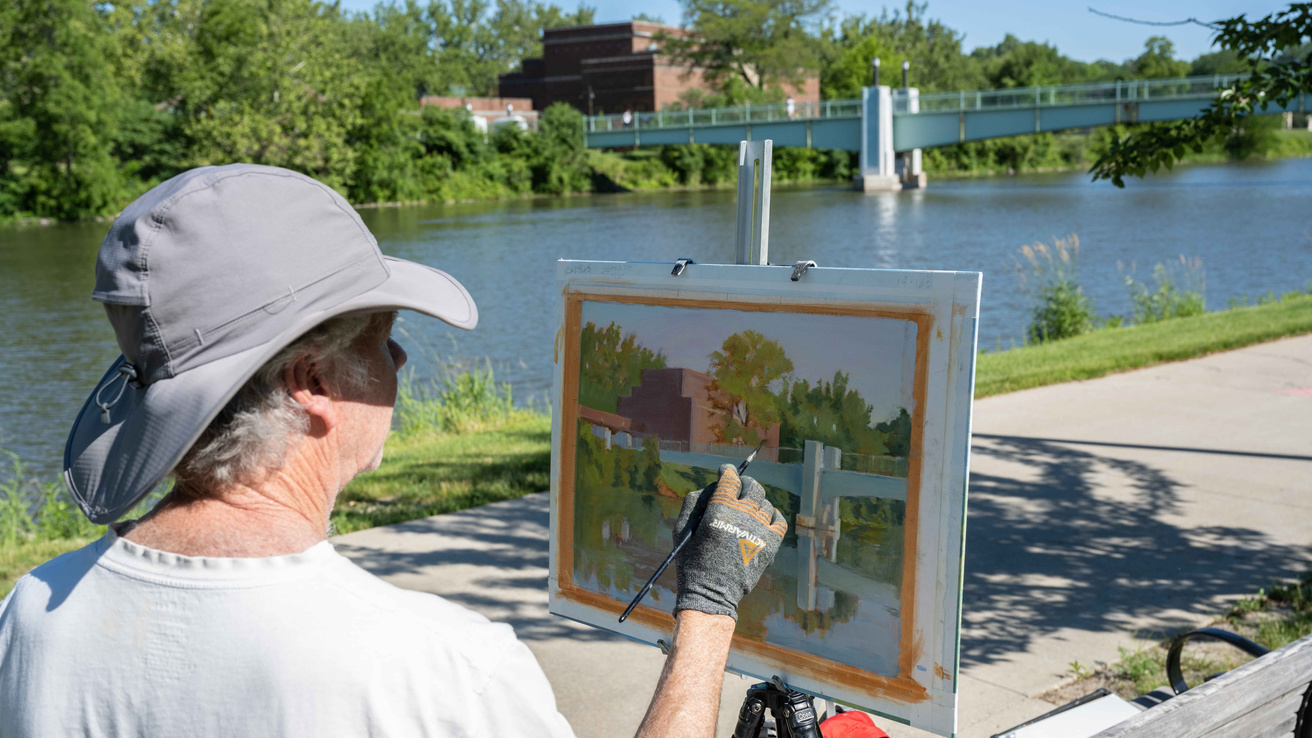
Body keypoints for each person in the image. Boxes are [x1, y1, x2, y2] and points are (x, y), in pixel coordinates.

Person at [0, 164, 788, 737]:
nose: (401, 363)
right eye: (382, 338)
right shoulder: (433, 668)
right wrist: (709, 609)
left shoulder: (31, 615)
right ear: (310, 380)